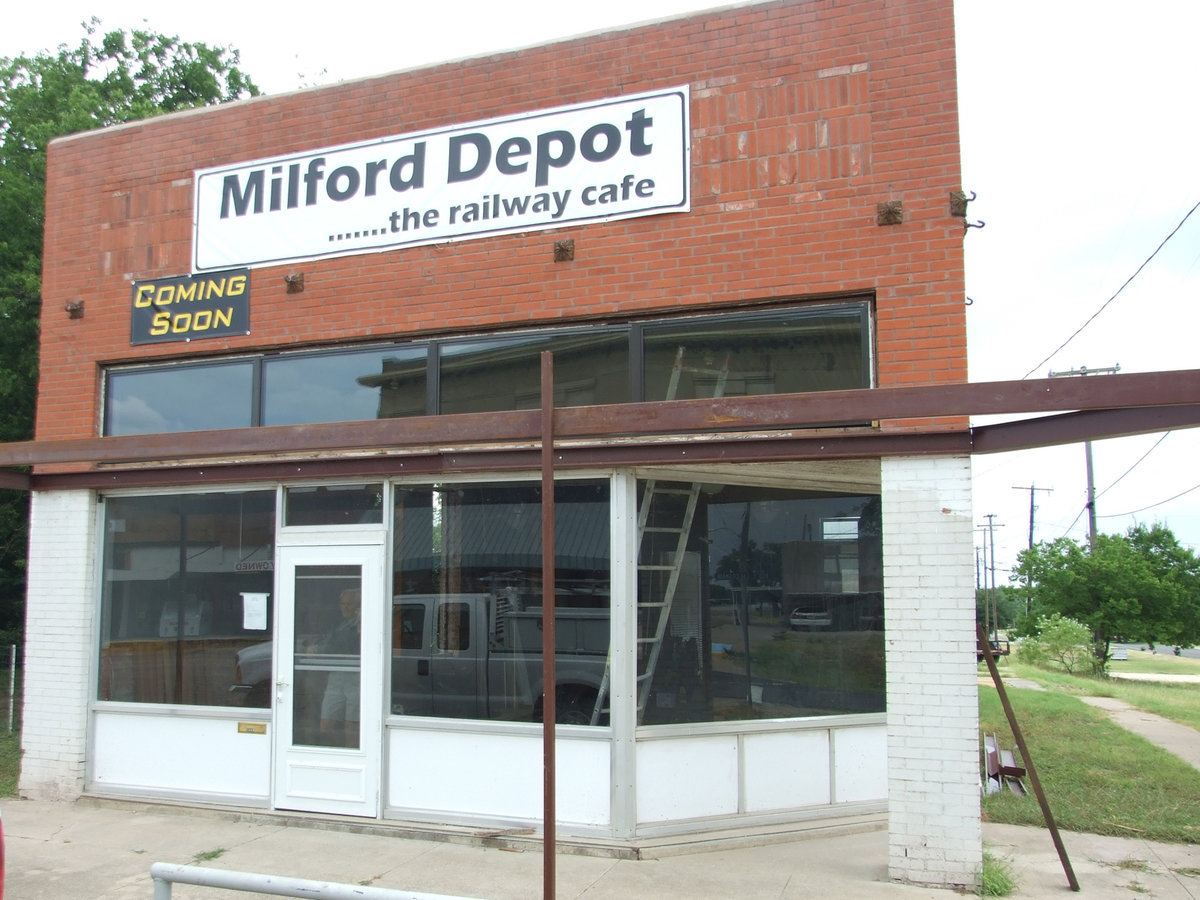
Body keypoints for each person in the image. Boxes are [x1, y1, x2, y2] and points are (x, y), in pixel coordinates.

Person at [318, 588, 361, 747]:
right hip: (336, 676)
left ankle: (352, 758)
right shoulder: (338, 623)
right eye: (343, 604)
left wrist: (360, 625)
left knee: (352, 728)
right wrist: (316, 649)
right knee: (326, 726)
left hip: (355, 678)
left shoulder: (362, 623)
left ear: (358, 605)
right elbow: (328, 644)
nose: (345, 607)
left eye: (349, 604)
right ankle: (340, 753)